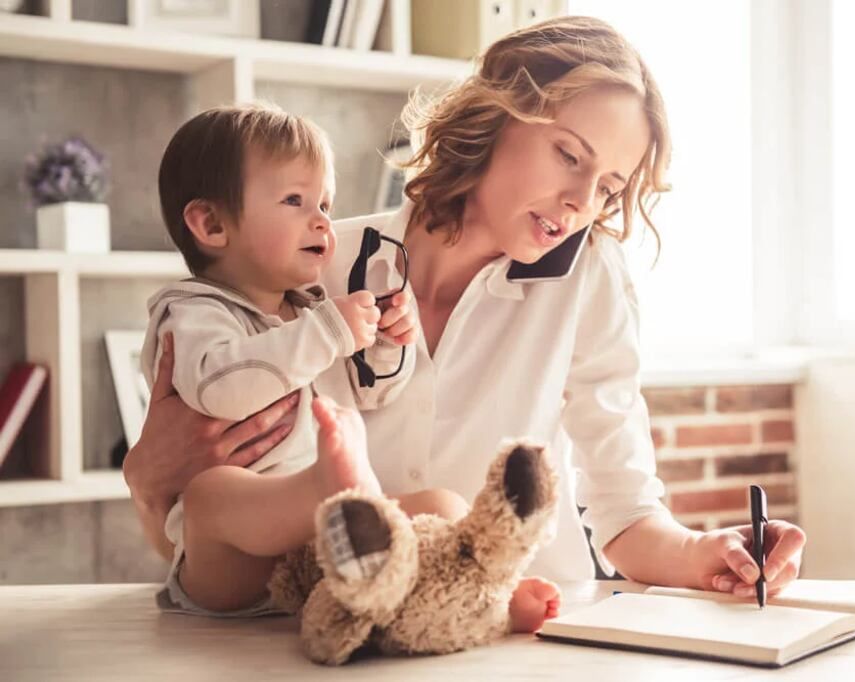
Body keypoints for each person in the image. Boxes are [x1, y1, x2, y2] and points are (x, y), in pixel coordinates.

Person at [125, 16, 805, 608]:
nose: (579, 201)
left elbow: (626, 513)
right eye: (568, 155)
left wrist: (705, 553)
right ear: (493, 115)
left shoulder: (589, 280)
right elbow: (207, 541)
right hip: (338, 638)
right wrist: (148, 484)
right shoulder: (311, 269)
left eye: (607, 187)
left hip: (529, 631)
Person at [141, 103, 559, 628]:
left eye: (325, 202)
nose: (321, 220)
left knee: (441, 508)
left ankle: (487, 594)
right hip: (230, 563)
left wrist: (388, 346)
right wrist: (328, 333)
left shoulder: (309, 308)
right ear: (210, 224)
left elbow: (372, 395)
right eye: (294, 200)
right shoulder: (194, 309)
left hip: (323, 551)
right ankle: (324, 492)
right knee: (211, 495)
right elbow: (219, 390)